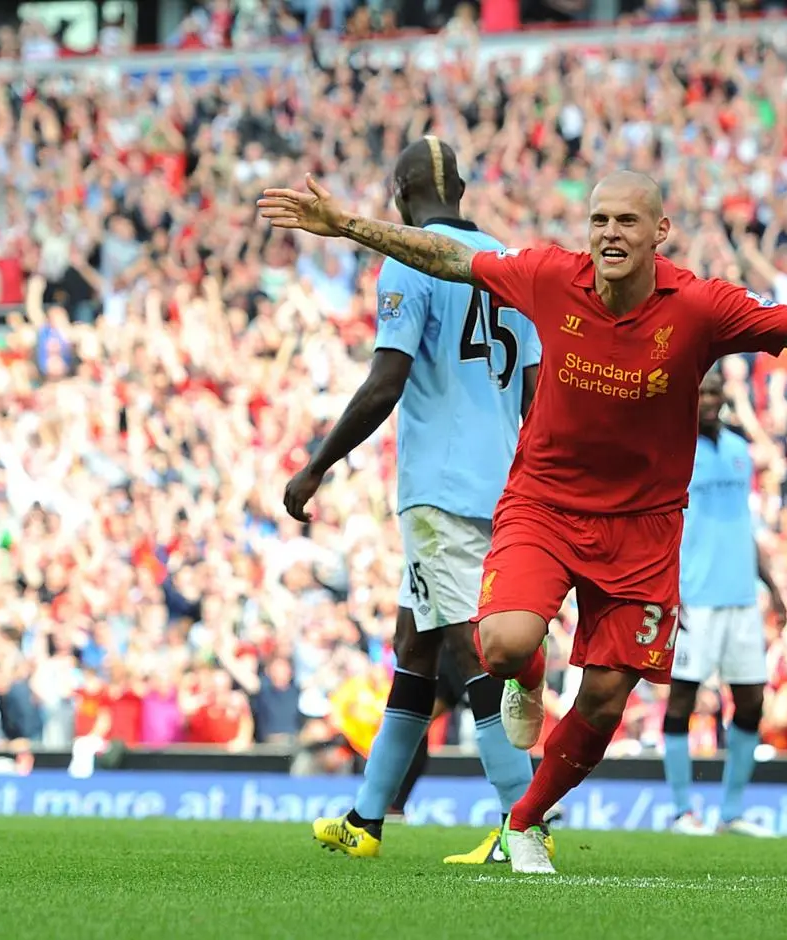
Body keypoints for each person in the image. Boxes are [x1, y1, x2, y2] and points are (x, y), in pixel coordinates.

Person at [258, 168, 787, 874]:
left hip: (644, 529)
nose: (609, 235)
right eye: (599, 221)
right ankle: (527, 683)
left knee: (602, 695)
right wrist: (347, 223)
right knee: (500, 645)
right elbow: (446, 256)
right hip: (545, 502)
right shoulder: (548, 276)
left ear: (659, 231)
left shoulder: (699, 306)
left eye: (626, 222)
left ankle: (526, 821)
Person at [287, 138, 551, 865]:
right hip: (503, 486)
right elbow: (536, 394)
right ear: (461, 189)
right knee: (416, 645)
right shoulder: (511, 263)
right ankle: (367, 819)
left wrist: (317, 466)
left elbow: (386, 380)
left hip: (440, 490)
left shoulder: (407, 254)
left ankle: (521, 825)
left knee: (469, 648)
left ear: (400, 193)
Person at [662, 370, 787, 837]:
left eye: (715, 391)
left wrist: (772, 586)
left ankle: (731, 813)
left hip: (740, 597)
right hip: (695, 597)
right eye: (701, 393)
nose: (710, 400)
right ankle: (681, 811)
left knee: (752, 699)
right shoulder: (671, 450)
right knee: (682, 698)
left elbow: (742, 525)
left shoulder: (739, 452)